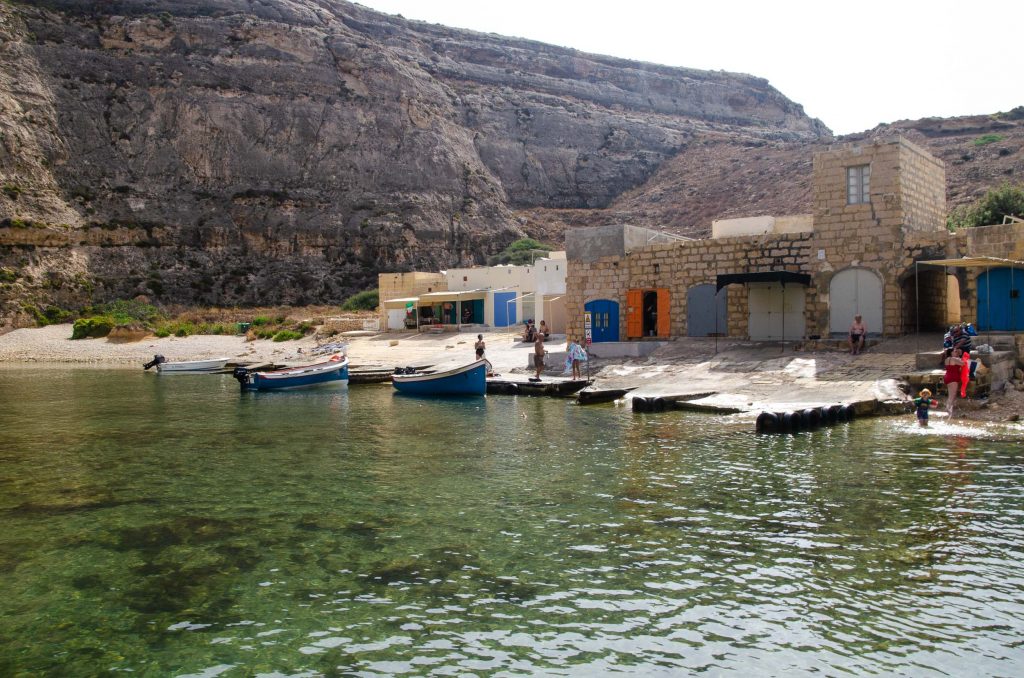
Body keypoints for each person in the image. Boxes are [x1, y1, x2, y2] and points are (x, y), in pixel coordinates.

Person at [943, 347, 964, 416]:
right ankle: (948, 410)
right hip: (953, 378)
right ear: (951, 352)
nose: (956, 352)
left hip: (947, 377)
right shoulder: (954, 359)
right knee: (952, 395)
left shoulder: (946, 359)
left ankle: (949, 408)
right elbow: (963, 363)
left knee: (951, 394)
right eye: (955, 351)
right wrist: (960, 356)